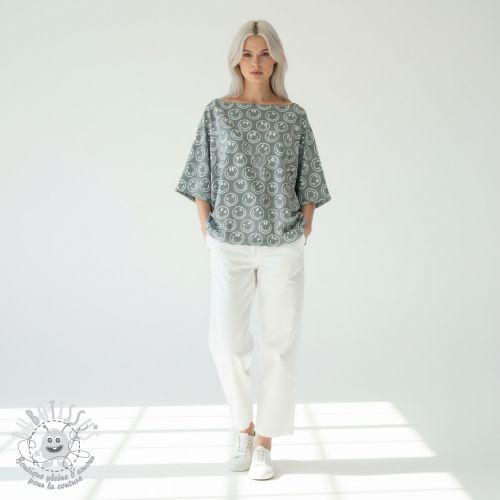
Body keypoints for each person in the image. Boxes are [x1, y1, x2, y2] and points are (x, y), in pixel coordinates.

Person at [175, 19, 332, 480]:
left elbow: (310, 177)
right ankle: (242, 428)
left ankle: (265, 442)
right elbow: (200, 172)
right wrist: (205, 224)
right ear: (236, 60)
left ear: (276, 59)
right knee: (226, 342)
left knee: (279, 343)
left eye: (264, 53)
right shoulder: (217, 113)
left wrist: (305, 224)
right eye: (248, 54)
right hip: (229, 241)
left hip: (282, 244)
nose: (256, 62)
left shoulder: (293, 116)